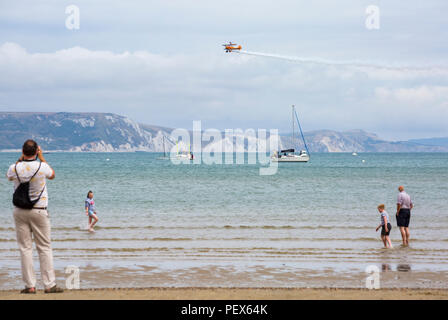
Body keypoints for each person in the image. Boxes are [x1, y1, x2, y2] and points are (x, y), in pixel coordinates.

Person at [6, 140, 63, 294]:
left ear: (22, 151)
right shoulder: (42, 166)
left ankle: (30, 286)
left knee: (25, 248)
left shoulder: (14, 167)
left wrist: (20, 158)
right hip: (39, 210)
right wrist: (42, 157)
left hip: (19, 210)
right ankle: (49, 284)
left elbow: (8, 176)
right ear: (36, 151)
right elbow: (52, 175)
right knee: (44, 247)